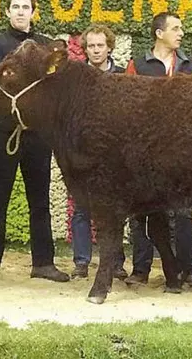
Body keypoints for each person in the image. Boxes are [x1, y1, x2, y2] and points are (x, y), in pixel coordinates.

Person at [0, 0, 69, 288]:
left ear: (33, 12)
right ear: (7, 12)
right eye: (14, 7)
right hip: (4, 132)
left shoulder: (43, 46)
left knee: (39, 201)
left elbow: (50, 88)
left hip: (37, 135)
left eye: (25, 7)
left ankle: (43, 263)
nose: (19, 12)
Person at [123, 12, 192, 288]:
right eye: (176, 29)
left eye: (181, 28)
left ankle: (187, 269)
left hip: (182, 149)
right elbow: (128, 107)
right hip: (146, 150)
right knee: (141, 212)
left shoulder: (190, 65)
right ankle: (141, 269)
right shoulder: (138, 65)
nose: (181, 33)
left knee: (183, 211)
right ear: (159, 33)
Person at [70, 24, 128, 280]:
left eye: (100, 46)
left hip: (117, 154)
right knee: (82, 207)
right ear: (84, 49)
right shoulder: (75, 81)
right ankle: (81, 262)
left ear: (109, 47)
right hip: (84, 152)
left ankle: (115, 263)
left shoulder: (124, 77)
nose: (95, 50)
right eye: (91, 46)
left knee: (117, 208)